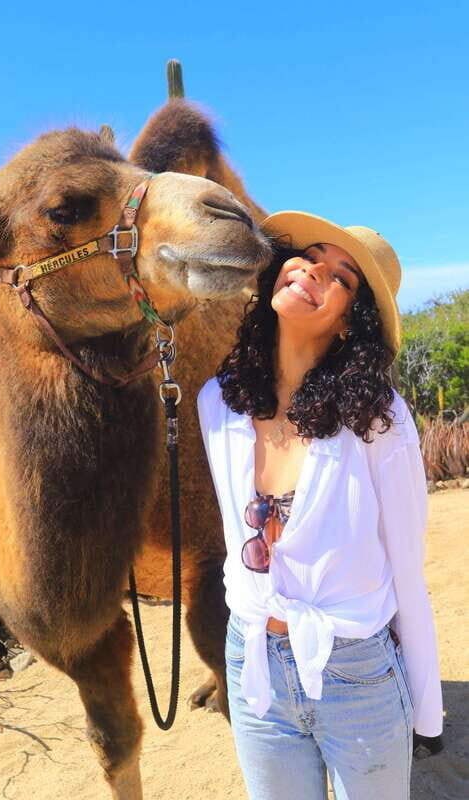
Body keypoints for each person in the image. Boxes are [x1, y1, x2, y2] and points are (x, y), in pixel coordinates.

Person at [197, 211, 443, 800]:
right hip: (252, 658)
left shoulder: (378, 421)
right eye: (309, 255)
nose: (313, 271)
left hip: (355, 668)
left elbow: (407, 566)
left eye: (342, 277)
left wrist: (427, 706)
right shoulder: (216, 403)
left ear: (347, 324)